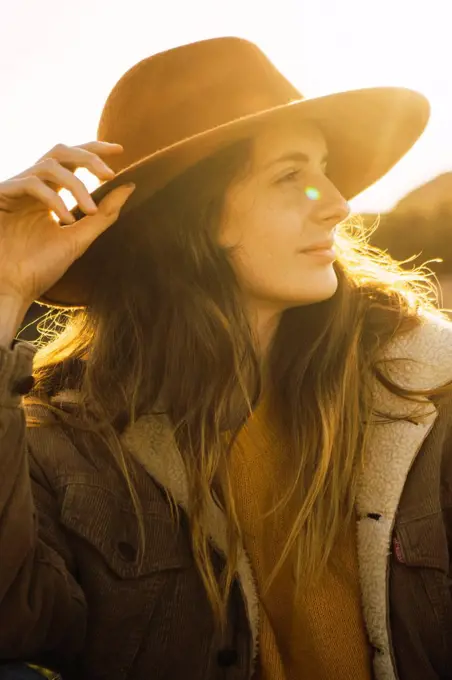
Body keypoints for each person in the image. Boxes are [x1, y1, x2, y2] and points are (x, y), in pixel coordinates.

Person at [0, 36, 451, 680]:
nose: (339, 202)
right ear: (192, 218)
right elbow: (13, 618)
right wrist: (4, 287)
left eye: (323, 168)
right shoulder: (71, 442)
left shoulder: (430, 395)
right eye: (291, 176)